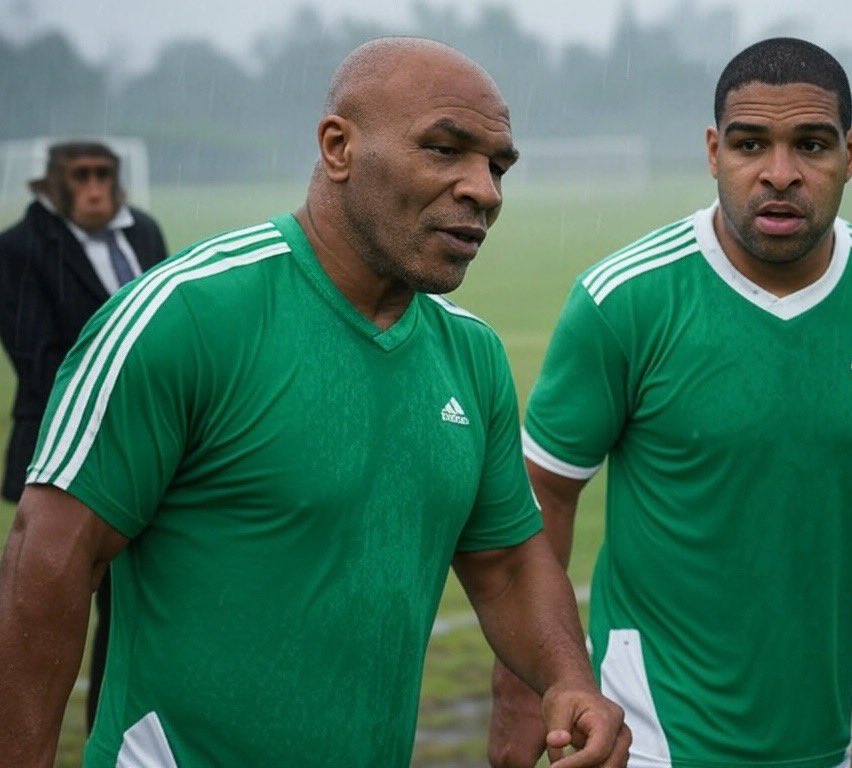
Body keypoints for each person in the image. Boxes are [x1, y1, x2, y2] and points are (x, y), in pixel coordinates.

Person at [0, 38, 630, 768]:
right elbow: (49, 558)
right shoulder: (186, 314)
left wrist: (567, 681)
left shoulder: (473, 357)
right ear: (338, 147)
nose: (484, 189)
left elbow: (508, 566)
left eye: (497, 165)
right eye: (445, 150)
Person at [489, 38, 852, 768]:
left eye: (810, 145)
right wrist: (518, 693)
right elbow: (541, 497)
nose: (779, 174)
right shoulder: (623, 301)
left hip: (824, 738)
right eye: (751, 144)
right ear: (712, 150)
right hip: (645, 734)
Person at [0, 140, 168, 733]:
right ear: (53, 186)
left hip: (156, 455)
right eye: (83, 178)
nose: (96, 189)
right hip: (68, 455)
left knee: (137, 609)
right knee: (57, 613)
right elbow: (38, 358)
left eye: (104, 176)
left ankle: (123, 730)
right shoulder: (17, 250)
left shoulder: (143, 231)